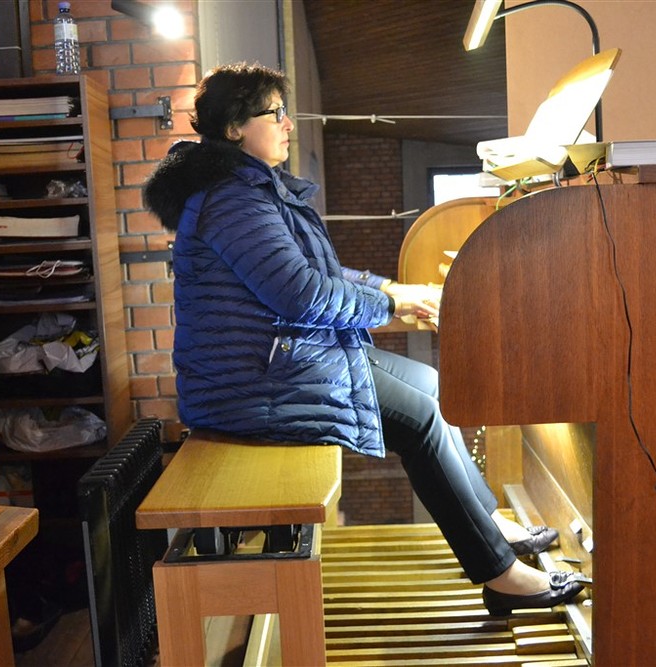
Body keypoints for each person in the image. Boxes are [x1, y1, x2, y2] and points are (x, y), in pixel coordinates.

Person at [142, 62, 584, 614]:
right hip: (252, 387)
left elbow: (315, 272)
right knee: (421, 419)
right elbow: (301, 294)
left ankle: (490, 523)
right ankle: (501, 576)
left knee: (431, 385)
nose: (287, 124)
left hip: (280, 360)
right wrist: (389, 305)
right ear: (234, 128)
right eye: (275, 114)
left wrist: (391, 288)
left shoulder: (247, 188)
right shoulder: (233, 200)